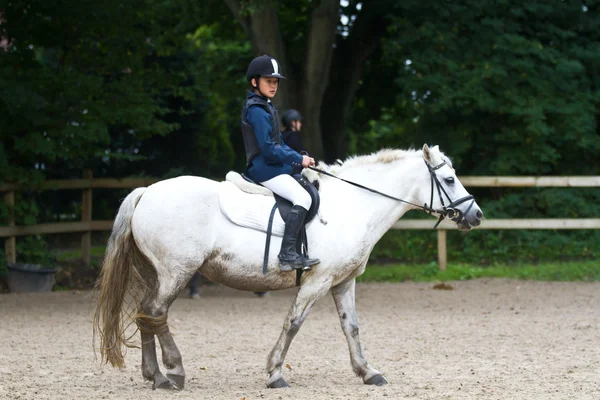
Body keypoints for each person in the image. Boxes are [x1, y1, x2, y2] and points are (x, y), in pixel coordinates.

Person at [241, 54, 320, 272]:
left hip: (271, 165)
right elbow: (269, 148)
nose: (273, 85)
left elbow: (280, 143)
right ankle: (287, 255)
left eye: (275, 82)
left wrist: (301, 159)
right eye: (268, 81)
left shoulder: (266, 106)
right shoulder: (256, 110)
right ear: (254, 82)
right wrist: (297, 159)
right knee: (303, 197)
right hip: (263, 168)